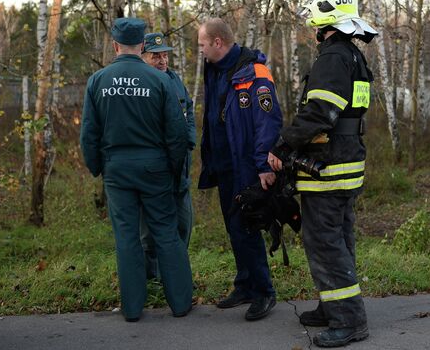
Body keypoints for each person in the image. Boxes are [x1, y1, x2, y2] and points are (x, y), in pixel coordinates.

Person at [267, 0, 377, 347]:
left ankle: (348, 319)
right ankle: (332, 307)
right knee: (339, 239)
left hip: (328, 168)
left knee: (324, 242)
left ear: (325, 16)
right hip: (346, 163)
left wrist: (282, 144)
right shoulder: (353, 54)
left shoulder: (332, 57)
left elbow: (320, 113)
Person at [80, 18, 192, 322]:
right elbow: (178, 132)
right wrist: (172, 167)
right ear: (142, 45)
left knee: (127, 237)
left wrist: (97, 168)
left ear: (116, 46)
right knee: (167, 233)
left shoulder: (98, 80)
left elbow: (89, 134)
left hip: (117, 170)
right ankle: (181, 304)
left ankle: (132, 309)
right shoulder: (160, 80)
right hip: (155, 167)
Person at [197, 17, 282, 321]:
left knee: (247, 228)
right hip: (223, 165)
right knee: (234, 229)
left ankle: (264, 292)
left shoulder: (254, 72)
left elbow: (267, 122)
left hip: (247, 166)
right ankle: (245, 284)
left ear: (217, 42)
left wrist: (263, 165)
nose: (201, 50)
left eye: (203, 44)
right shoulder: (213, 69)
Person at [139, 32, 195, 280]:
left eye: (164, 56)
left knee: (183, 222)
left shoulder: (174, 79)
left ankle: (173, 275)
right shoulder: (140, 82)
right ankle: (150, 278)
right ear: (143, 57)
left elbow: (189, 111)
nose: (162, 61)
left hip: (180, 164)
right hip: (154, 165)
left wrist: (190, 140)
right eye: (155, 56)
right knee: (149, 230)